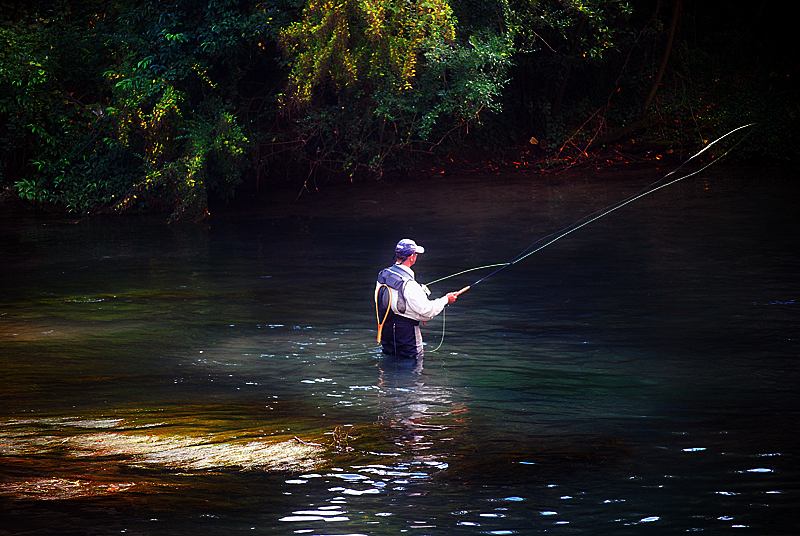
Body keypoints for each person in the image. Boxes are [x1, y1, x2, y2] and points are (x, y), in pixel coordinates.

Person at [375, 239, 459, 362]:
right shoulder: (409, 284)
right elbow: (426, 312)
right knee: (412, 365)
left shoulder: (383, 274)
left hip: (386, 330)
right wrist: (445, 300)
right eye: (416, 254)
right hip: (407, 333)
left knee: (389, 361)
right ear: (411, 257)